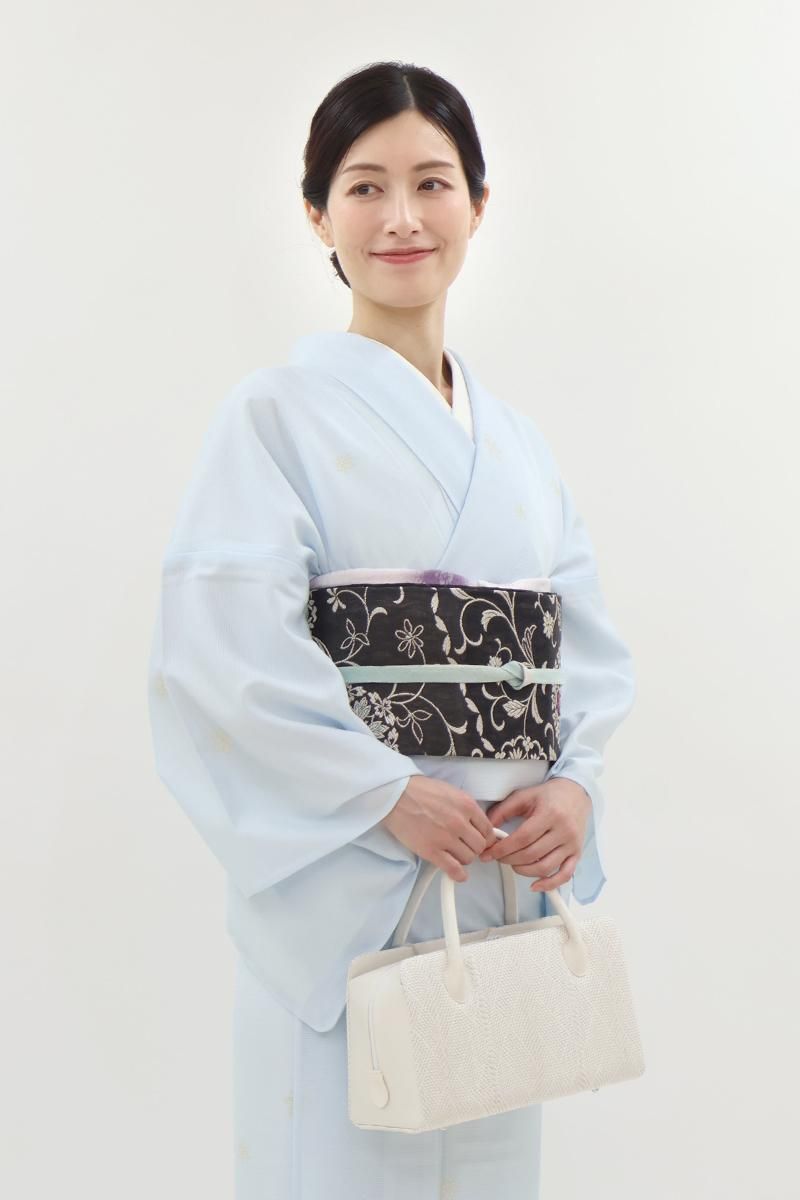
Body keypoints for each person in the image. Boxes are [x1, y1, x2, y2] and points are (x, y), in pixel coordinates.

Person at [146, 60, 636, 1200]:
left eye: (432, 182)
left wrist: (575, 787)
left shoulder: (518, 447)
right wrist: (380, 793)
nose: (402, 217)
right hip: (353, 888)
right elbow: (223, 657)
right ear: (317, 214)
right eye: (364, 187)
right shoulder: (273, 417)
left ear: (478, 203)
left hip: (496, 894)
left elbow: (583, 646)